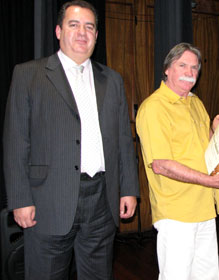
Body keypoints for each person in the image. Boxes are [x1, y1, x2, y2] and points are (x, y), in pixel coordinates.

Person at [3, 1, 139, 279]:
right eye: (73, 25)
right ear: (58, 30)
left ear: (97, 36)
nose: (82, 33)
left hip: (102, 200)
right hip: (47, 201)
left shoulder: (112, 80)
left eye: (89, 27)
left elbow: (123, 140)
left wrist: (128, 189)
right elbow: (16, 141)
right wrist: (19, 199)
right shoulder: (28, 74)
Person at [136, 42, 219, 280]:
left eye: (195, 67)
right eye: (182, 65)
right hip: (176, 212)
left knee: (207, 277)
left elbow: (208, 151)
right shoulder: (154, 108)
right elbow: (161, 165)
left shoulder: (195, 103)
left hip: (204, 207)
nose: (190, 72)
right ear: (167, 69)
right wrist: (211, 181)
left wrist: (218, 132)